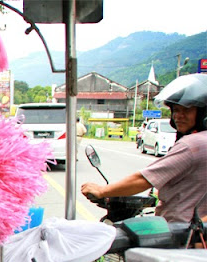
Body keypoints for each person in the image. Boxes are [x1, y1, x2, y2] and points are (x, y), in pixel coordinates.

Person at [81, 74, 207, 223]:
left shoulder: (192, 144)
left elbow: (144, 179)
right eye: (176, 110)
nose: (178, 116)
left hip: (180, 231)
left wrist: (102, 191)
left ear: (202, 113)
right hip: (196, 229)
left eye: (186, 110)